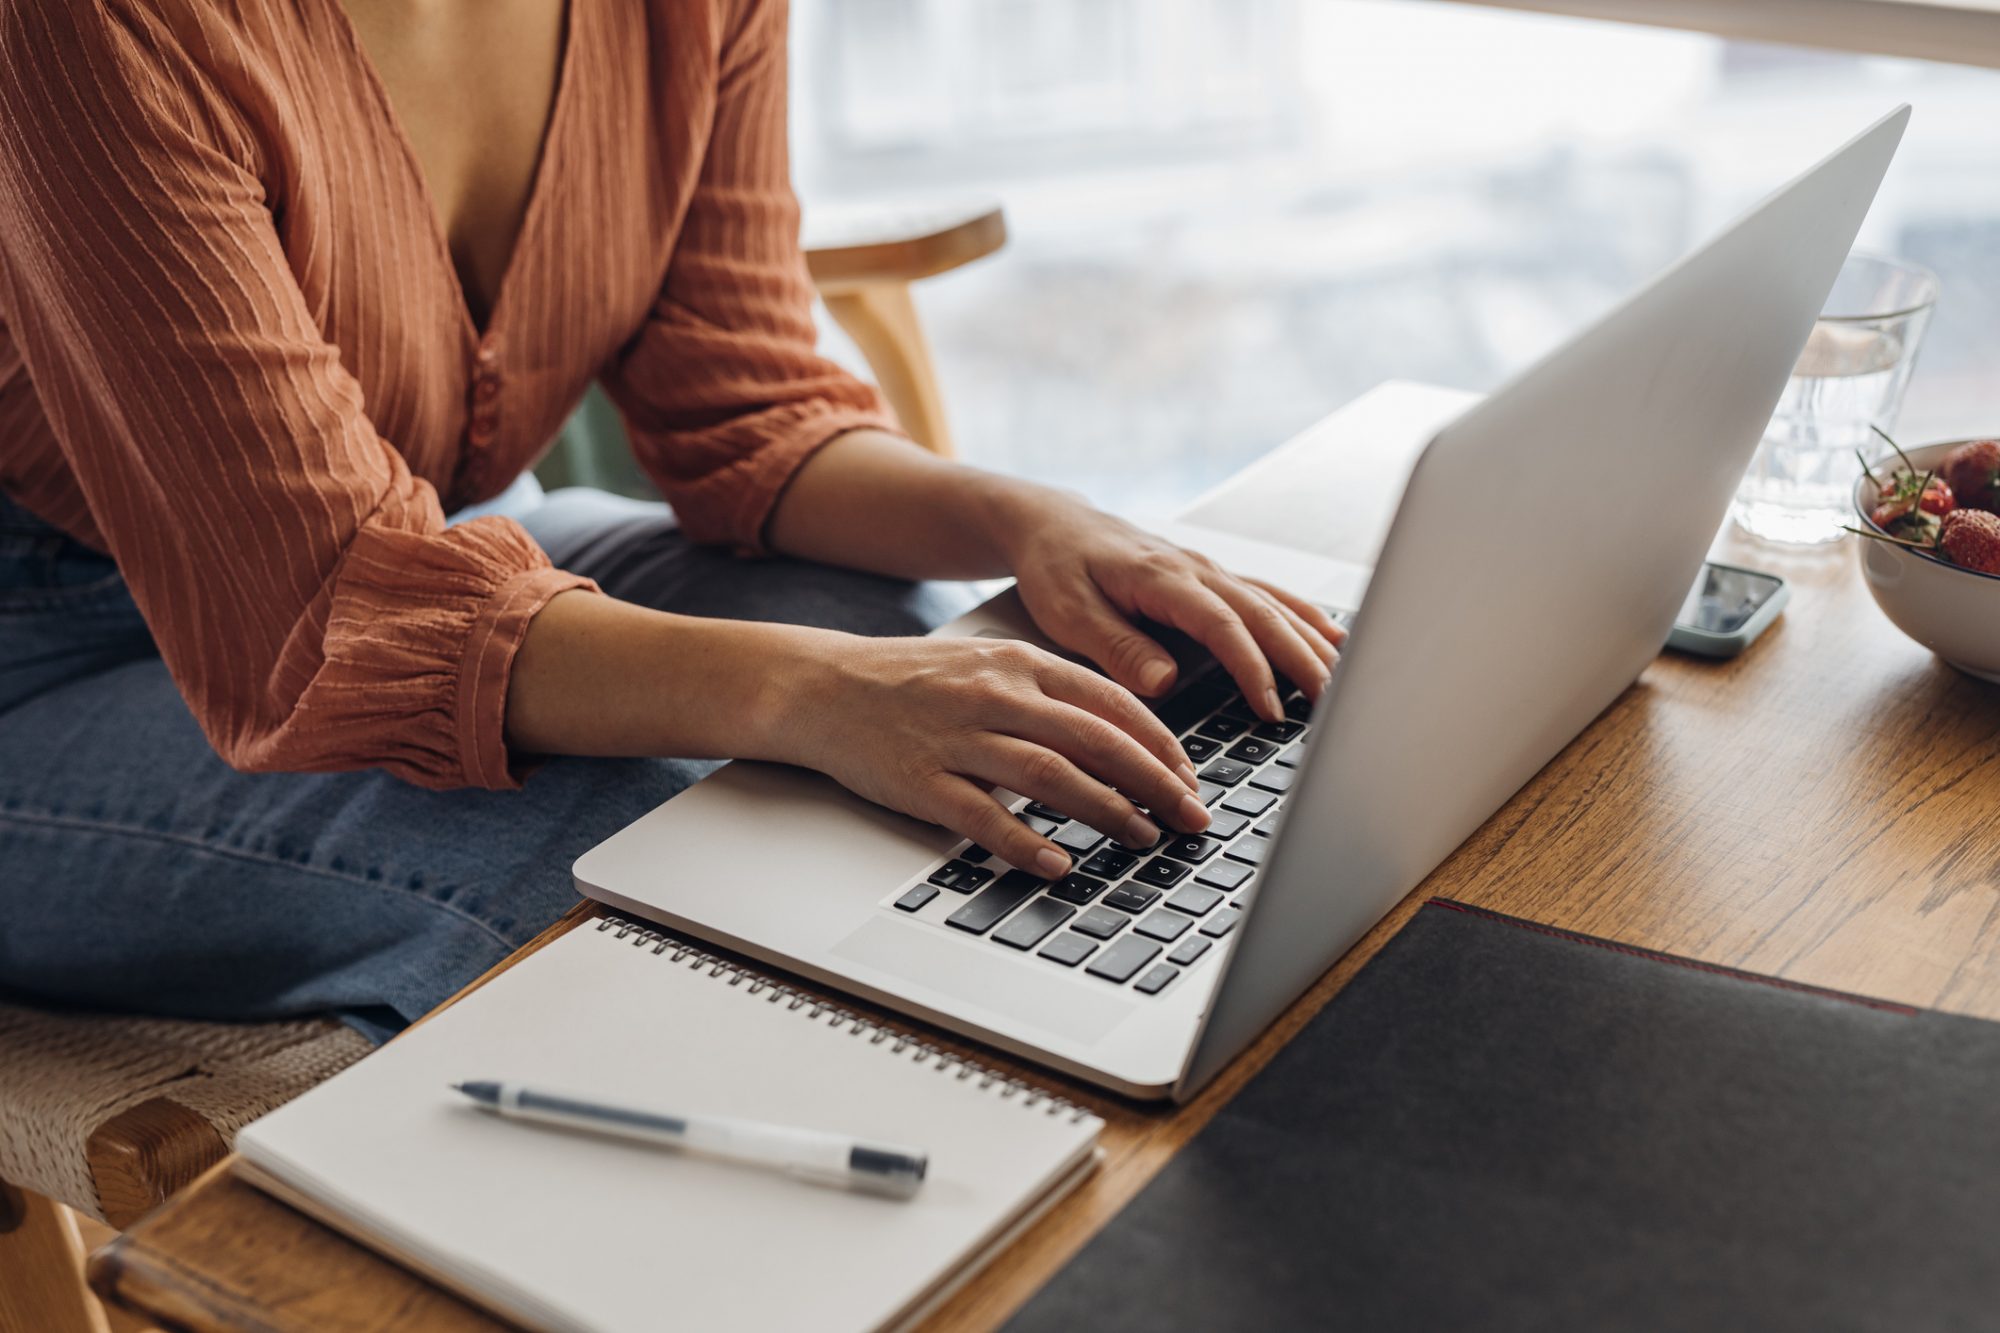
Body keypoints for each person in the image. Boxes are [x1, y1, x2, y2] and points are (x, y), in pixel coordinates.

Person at [0, 0, 1341, 1039]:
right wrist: (817, 698)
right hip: (57, 658)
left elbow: (747, 410)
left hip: (444, 549)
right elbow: (328, 605)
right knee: (649, 864)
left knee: (925, 658)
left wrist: (1038, 523)